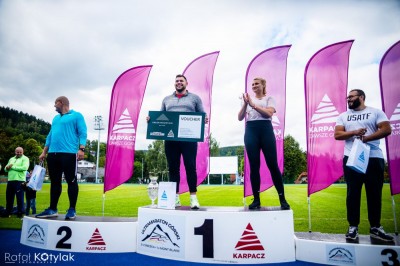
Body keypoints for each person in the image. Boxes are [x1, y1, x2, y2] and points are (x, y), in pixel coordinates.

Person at [334, 89, 393, 243]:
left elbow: (387, 129)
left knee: (374, 193)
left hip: (373, 157)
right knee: (353, 193)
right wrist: (354, 132)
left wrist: (366, 139)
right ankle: (353, 227)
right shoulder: (343, 116)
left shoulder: (375, 112)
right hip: (351, 157)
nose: (348, 99)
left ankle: (375, 228)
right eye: (347, 97)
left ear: (361, 97)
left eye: (351, 96)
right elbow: (337, 135)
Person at [149, 74, 207, 209]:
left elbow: (202, 115)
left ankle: (193, 197)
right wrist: (151, 120)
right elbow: (160, 117)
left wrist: (204, 119)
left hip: (189, 138)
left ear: (186, 83)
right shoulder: (166, 99)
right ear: (174, 84)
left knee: (190, 167)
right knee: (173, 168)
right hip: (171, 139)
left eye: (181, 81)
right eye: (177, 81)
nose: (179, 82)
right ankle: (175, 198)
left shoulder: (195, 98)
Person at [238, 77, 290, 210]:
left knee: (272, 165)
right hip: (251, 130)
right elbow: (240, 118)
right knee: (254, 166)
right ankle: (256, 200)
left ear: (263, 85)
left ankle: (282, 199)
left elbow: (268, 114)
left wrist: (253, 105)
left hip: (265, 130)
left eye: (257, 84)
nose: (254, 86)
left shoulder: (269, 99)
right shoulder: (248, 100)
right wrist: (245, 103)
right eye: (253, 84)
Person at [36, 96, 87, 220]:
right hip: (53, 155)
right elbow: (50, 136)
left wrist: (82, 149)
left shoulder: (77, 116)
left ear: (62, 103)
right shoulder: (55, 118)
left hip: (69, 154)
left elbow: (83, 132)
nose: (54, 106)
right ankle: (52, 209)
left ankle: (72, 210)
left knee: (72, 181)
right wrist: (44, 152)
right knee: (55, 182)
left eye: (55, 103)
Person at [1, 147, 30, 218]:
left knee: (19, 197)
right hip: (10, 180)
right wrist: (7, 168)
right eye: (17, 152)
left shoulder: (25, 158)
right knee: (9, 197)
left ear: (23, 152)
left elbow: (25, 168)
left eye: (20, 152)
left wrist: (12, 167)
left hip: (19, 180)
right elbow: (5, 169)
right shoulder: (11, 159)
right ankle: (8, 212)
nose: (19, 153)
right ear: (15, 152)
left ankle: (20, 212)